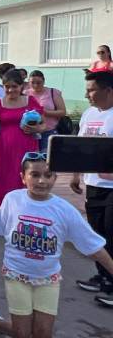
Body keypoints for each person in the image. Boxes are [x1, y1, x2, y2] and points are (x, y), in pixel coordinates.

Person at [0, 154, 113, 338]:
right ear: (23, 177)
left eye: (48, 175)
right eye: (35, 174)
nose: (42, 181)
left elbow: (94, 246)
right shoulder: (13, 199)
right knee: (22, 333)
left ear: (55, 177)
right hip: (16, 276)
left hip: (48, 279)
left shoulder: (65, 210)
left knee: (43, 333)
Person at [71, 69, 113, 304]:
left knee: (111, 233)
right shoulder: (89, 114)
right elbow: (81, 146)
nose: (87, 95)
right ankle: (103, 276)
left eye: (91, 90)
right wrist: (76, 175)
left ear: (108, 90)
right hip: (94, 185)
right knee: (97, 234)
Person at [0, 69, 44, 209]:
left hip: (27, 149)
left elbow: (43, 124)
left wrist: (37, 129)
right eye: (7, 86)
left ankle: (26, 212)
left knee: (26, 178)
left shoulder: (30, 101)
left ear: (22, 86)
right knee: (6, 180)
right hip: (5, 150)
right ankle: (6, 214)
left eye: (14, 86)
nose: (10, 90)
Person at [26, 70, 66, 152]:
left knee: (47, 156)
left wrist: (44, 112)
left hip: (49, 131)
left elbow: (62, 112)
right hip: (30, 132)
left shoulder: (53, 92)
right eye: (32, 82)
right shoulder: (25, 94)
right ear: (28, 82)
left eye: (39, 83)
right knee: (32, 157)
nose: (35, 85)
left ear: (44, 81)